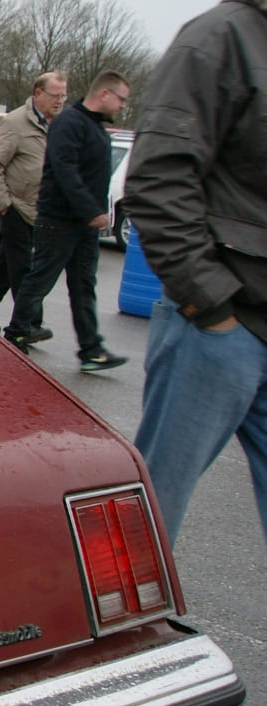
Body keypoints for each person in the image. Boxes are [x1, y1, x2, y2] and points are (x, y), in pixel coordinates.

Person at [127, 0, 267, 545]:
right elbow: (157, 180)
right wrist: (208, 305)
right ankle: (124, 629)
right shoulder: (219, 39)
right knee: (152, 517)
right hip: (217, 328)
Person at [2, 71, 131, 371]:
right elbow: (64, 169)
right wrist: (91, 209)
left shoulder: (96, 128)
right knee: (40, 279)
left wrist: (95, 213)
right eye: (121, 99)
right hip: (58, 220)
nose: (123, 106)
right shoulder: (69, 123)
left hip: (84, 226)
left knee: (84, 285)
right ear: (104, 95)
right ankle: (17, 333)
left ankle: (91, 349)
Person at [0, 72, 68, 335]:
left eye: (63, 96)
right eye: (55, 96)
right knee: (24, 267)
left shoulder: (58, 126)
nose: (60, 101)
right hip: (15, 207)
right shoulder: (15, 124)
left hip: (42, 211)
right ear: (38, 94)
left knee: (5, 264)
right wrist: (4, 205)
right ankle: (29, 324)